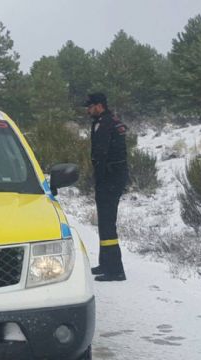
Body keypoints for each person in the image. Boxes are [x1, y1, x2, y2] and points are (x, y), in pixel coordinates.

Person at [83, 93, 129, 282]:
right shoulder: (107, 121)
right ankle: (105, 263)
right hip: (112, 178)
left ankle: (115, 270)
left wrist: (99, 179)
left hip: (110, 179)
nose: (88, 110)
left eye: (90, 106)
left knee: (108, 223)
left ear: (99, 106)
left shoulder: (105, 124)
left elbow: (100, 154)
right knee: (104, 222)